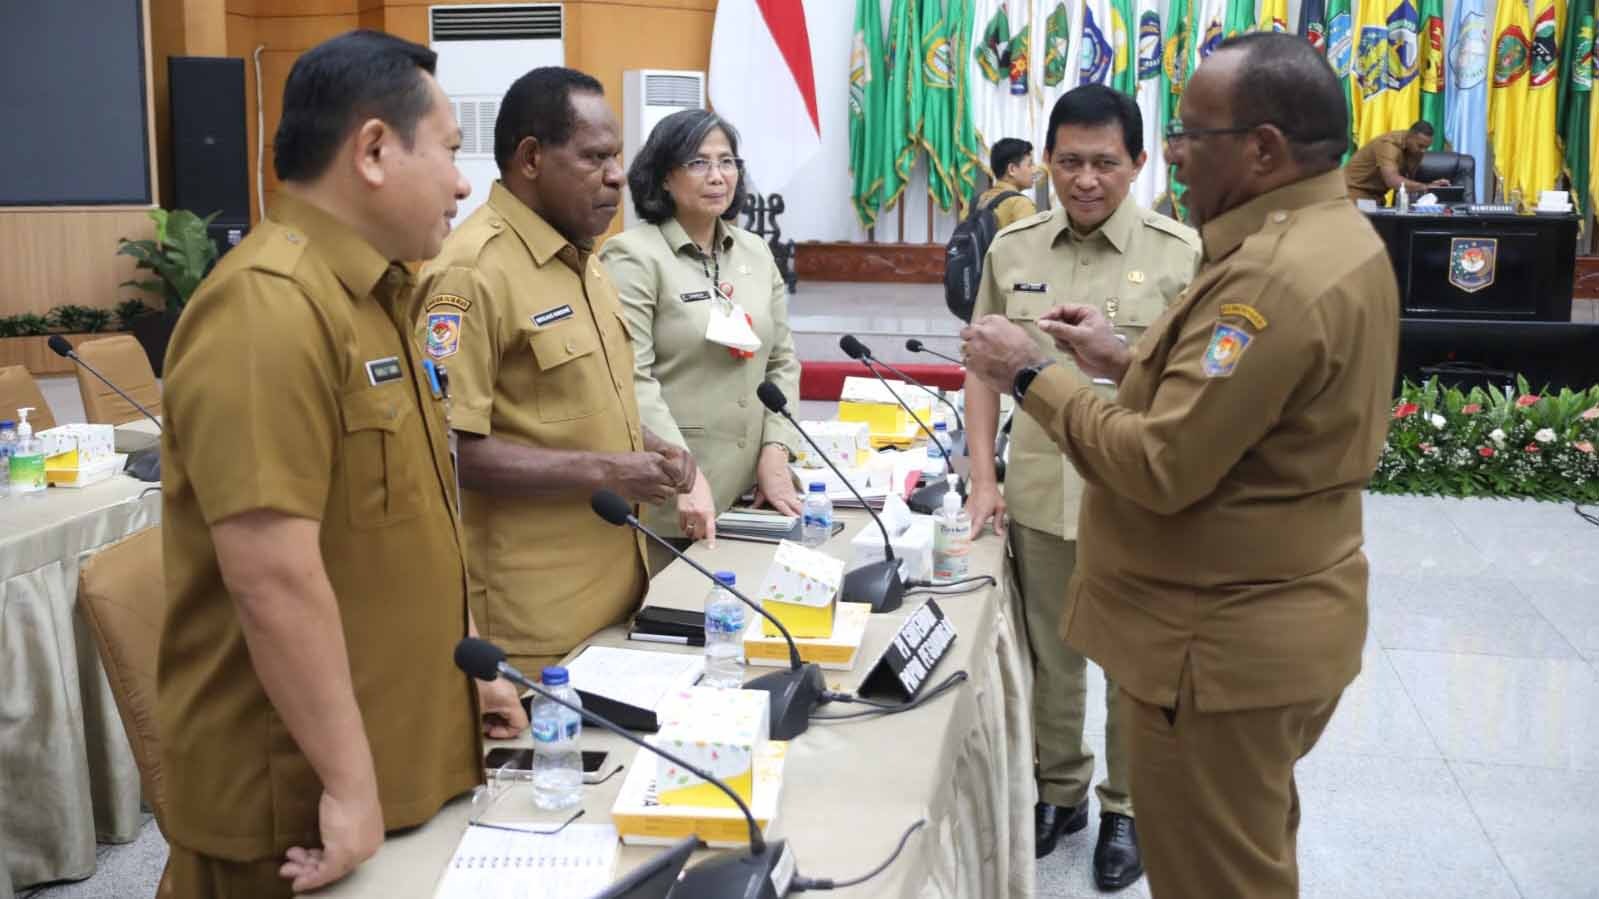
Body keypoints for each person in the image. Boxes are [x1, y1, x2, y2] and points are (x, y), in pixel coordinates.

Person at [961, 32, 1399, 898]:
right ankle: (1065, 790)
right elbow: (1242, 409)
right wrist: (1125, 363)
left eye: (1190, 136)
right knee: (1246, 851)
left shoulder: (1266, 276)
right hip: (1270, 615)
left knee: (1215, 877)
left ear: (1262, 148)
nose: (1175, 158)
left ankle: (1113, 804)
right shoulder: (1327, 237)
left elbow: (1162, 461)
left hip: (1217, 645)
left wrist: (1031, 370)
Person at [157, 30, 526, 897]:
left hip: (394, 759)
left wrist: (461, 683)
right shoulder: (269, 307)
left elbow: (392, 533)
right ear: (370, 150)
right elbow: (271, 576)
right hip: (300, 806)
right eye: (447, 151)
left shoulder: (379, 296)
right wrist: (351, 784)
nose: (464, 181)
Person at [963, 83, 1200, 891]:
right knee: (1051, 656)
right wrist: (980, 475)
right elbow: (982, 371)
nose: (1085, 179)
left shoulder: (1183, 254)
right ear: (1046, 164)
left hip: (1138, 495)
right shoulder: (1012, 248)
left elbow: (1196, 388)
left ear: (1138, 162)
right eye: (1068, 162)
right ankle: (1058, 791)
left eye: (1104, 162)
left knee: (1134, 662)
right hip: (1036, 484)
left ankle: (1125, 806)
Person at [415, 67, 696, 675]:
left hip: (617, 597)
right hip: (531, 628)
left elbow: (566, 410)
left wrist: (650, 449)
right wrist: (607, 469)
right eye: (595, 157)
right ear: (532, 158)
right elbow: (445, 449)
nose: (617, 175)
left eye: (617, 156)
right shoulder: (471, 273)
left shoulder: (583, 260)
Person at [599, 109, 803, 573]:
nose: (717, 176)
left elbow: (782, 362)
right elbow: (632, 379)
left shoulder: (753, 250)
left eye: (727, 162)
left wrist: (775, 453)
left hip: (754, 496)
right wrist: (684, 474)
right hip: (675, 501)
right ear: (663, 177)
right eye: (697, 163)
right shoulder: (633, 256)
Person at [1344, 119, 1450, 202]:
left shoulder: (1416, 151)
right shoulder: (1388, 145)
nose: (1423, 151)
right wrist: (1426, 187)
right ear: (1409, 136)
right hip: (1353, 191)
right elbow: (1392, 180)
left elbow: (1405, 183)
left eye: (1426, 147)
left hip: (1375, 196)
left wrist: (1434, 186)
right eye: (1420, 146)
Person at [977, 137, 1040, 230]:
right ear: (1012, 169)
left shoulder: (976, 201)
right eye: (1030, 164)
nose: (1034, 170)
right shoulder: (1020, 204)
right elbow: (1028, 243)